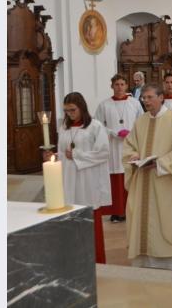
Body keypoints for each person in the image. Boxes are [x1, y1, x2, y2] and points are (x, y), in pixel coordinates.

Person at [122, 83, 172, 270]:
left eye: (150, 97)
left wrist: (160, 163)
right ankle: (145, 258)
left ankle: (169, 260)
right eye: (144, 98)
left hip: (166, 181)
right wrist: (133, 155)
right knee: (141, 216)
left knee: (166, 218)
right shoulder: (140, 121)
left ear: (161, 98)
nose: (146, 101)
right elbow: (129, 144)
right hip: (143, 180)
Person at [55, 92, 111, 263]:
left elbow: (103, 153)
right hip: (68, 178)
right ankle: (74, 260)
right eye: (66, 111)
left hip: (88, 180)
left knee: (89, 219)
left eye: (73, 110)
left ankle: (94, 260)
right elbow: (61, 152)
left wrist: (77, 155)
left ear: (82, 107)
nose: (70, 114)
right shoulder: (64, 128)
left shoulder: (95, 126)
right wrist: (54, 157)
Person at [94, 74, 143, 223]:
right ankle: (116, 212)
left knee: (130, 178)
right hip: (113, 147)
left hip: (131, 146)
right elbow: (97, 125)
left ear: (127, 86)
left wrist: (131, 132)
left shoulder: (134, 103)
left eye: (122, 84)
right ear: (112, 86)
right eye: (117, 84)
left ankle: (131, 210)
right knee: (115, 179)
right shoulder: (104, 105)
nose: (120, 87)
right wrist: (113, 133)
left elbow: (142, 122)